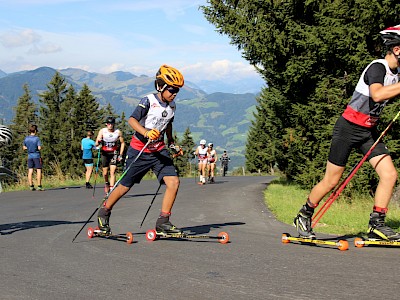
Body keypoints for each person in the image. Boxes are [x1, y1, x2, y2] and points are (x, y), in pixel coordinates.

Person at [293, 25, 400, 241]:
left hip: (368, 132)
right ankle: (304, 214)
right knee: (331, 180)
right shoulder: (377, 68)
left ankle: (376, 225)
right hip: (348, 128)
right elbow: (377, 95)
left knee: (389, 175)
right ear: (397, 49)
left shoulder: (397, 74)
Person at [97, 64, 184, 235]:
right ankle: (104, 211)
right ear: (161, 86)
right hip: (139, 150)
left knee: (173, 182)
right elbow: (132, 120)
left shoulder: (172, 106)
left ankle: (163, 221)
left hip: (159, 151)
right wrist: (145, 132)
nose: (174, 93)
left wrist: (172, 143)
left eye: (177, 91)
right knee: (125, 186)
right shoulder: (148, 101)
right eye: (172, 89)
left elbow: (167, 126)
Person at [95, 117, 126, 194]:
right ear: (106, 124)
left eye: (112, 124)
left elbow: (122, 143)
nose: (110, 125)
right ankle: (106, 183)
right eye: (108, 124)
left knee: (113, 171)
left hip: (114, 153)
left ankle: (112, 189)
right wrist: (99, 142)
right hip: (105, 153)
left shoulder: (118, 132)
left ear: (114, 124)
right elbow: (97, 142)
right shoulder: (102, 131)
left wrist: (121, 154)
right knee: (105, 172)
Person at [23, 125, 43, 191]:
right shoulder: (37, 139)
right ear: (35, 131)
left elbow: (24, 147)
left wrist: (29, 148)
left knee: (30, 171)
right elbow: (39, 148)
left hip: (29, 156)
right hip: (36, 155)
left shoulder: (26, 138)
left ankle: (31, 185)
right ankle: (39, 185)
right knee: (38, 170)